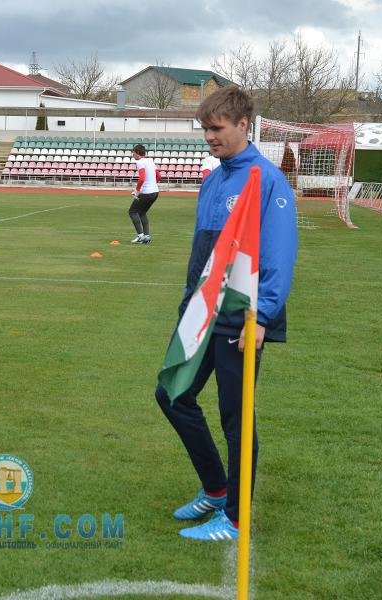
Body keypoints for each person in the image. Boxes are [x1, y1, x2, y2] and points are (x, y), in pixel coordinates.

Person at [155, 86, 297, 541]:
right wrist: (187, 302)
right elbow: (204, 252)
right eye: (205, 129)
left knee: (236, 417)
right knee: (171, 394)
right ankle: (216, 489)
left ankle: (236, 518)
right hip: (201, 312)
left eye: (216, 129)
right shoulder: (214, 180)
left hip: (242, 315)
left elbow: (278, 254)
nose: (209, 137)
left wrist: (263, 316)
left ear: (242, 125)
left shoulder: (266, 180)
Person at [129, 144, 159, 244]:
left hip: (147, 192)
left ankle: (140, 235)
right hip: (155, 192)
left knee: (132, 211)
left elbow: (141, 178)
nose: (132, 155)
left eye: (133, 153)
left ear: (138, 152)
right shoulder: (150, 161)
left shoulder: (140, 162)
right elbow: (158, 176)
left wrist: (137, 191)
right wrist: (152, 184)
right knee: (142, 212)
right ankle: (146, 236)